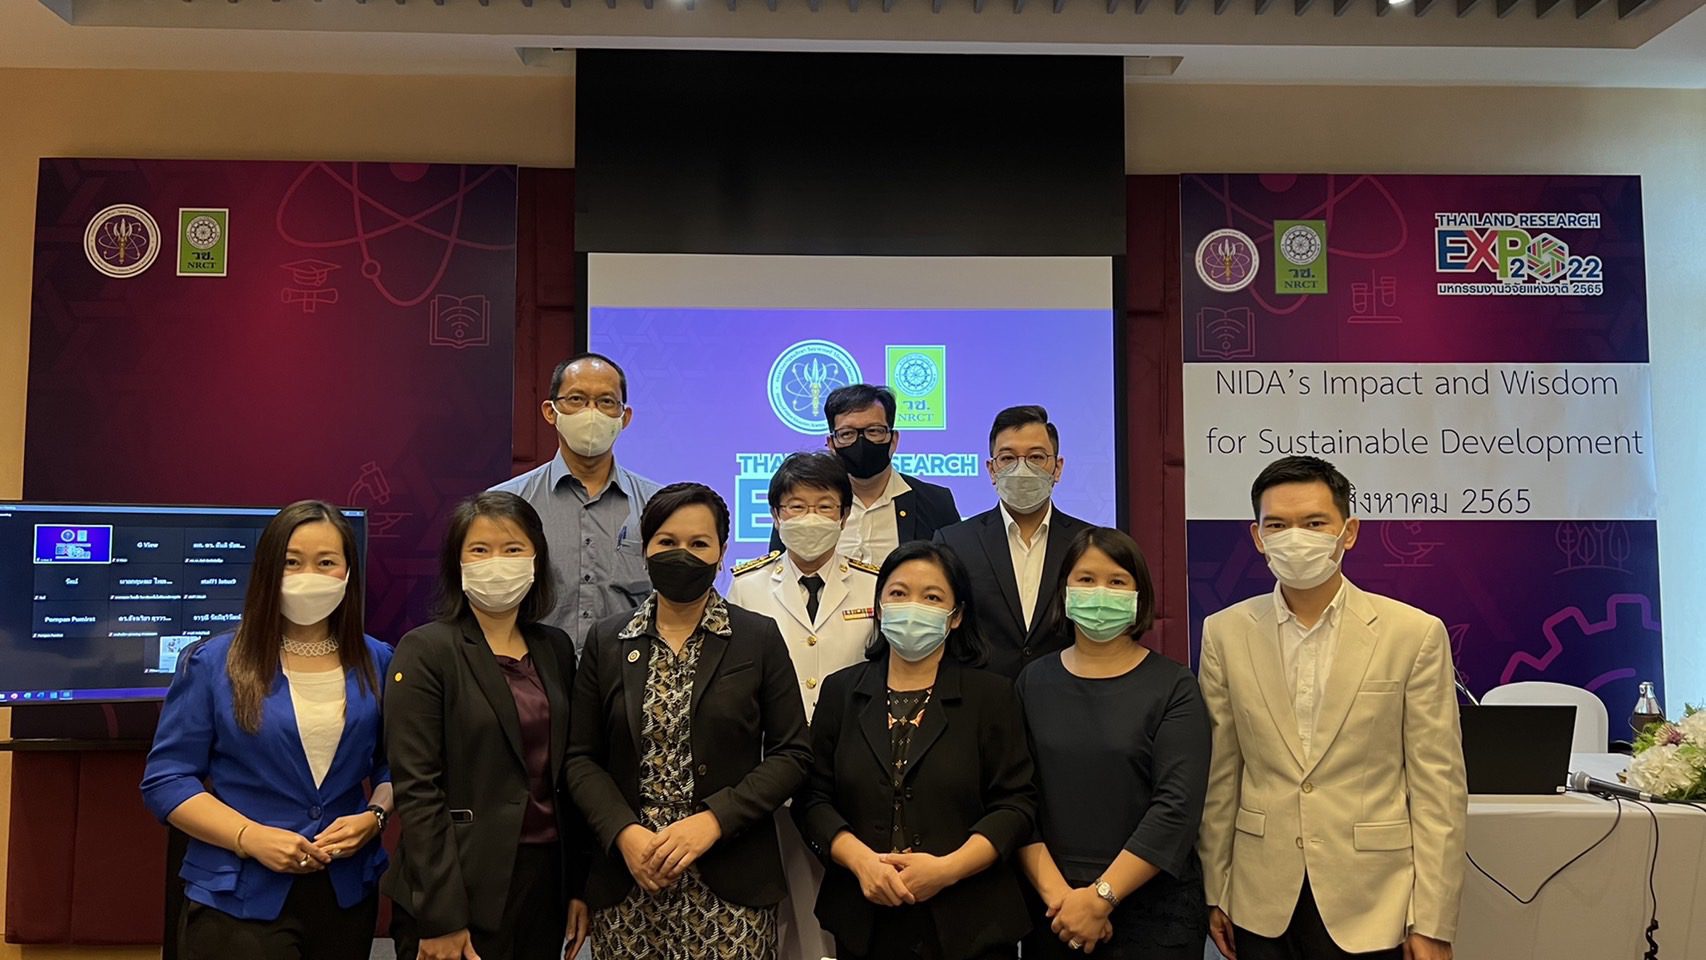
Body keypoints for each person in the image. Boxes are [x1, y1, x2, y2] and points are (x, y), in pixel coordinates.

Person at [1197, 456, 1467, 960]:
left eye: (1314, 523)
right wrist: (1216, 888)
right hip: (1259, 897)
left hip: (1374, 900)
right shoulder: (1224, 632)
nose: (1295, 538)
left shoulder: (1413, 634)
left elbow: (1439, 789)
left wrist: (1432, 919)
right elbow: (1220, 774)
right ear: (1257, 537)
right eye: (1277, 525)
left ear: (1349, 531)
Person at [566, 482, 812, 960]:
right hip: (631, 875)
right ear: (645, 550)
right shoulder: (608, 640)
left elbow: (792, 754)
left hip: (730, 877)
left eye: (699, 543)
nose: (682, 554)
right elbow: (580, 758)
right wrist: (623, 833)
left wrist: (715, 820)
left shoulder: (757, 637)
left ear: (721, 553)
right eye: (667, 542)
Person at [141, 500, 392, 960]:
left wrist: (374, 817)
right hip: (238, 895)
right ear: (267, 569)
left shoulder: (379, 661)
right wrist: (249, 837)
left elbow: (396, 765)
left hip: (346, 891)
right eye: (292, 562)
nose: (309, 575)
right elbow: (167, 780)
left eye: (326, 562)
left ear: (348, 573)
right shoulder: (213, 663)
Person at [795, 540, 1037, 960]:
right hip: (865, 918)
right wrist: (861, 862)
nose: (913, 606)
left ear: (956, 616)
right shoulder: (841, 691)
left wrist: (947, 869)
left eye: (932, 597)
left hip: (970, 922)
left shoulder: (992, 695)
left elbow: (1016, 805)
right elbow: (812, 797)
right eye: (898, 593)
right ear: (879, 607)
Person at [383, 492, 590, 960]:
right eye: (480, 549)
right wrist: (442, 916)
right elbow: (417, 790)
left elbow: (568, 773)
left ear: (536, 559)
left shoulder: (555, 648)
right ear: (457, 562)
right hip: (456, 883)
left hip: (544, 884)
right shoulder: (426, 650)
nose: (497, 562)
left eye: (512, 549)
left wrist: (578, 885)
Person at [1015, 527, 1210, 960]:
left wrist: (1101, 898)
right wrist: (1066, 903)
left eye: (1117, 581)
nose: (1100, 592)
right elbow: (1015, 799)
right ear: (1064, 590)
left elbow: (1176, 808)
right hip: (1054, 910)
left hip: (1153, 909)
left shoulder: (1174, 686)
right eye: (1086, 579)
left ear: (1139, 596)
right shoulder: (1033, 682)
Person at [726, 451, 878, 960]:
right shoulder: (747, 584)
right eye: (796, 507)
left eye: (824, 506)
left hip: (852, 771)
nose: (810, 518)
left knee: (847, 912)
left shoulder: (875, 584)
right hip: (770, 769)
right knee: (786, 914)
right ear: (775, 515)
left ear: (844, 515)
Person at [492, 352, 662, 650]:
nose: (591, 412)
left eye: (606, 401)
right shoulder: (506, 504)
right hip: (534, 672)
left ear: (624, 417)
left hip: (629, 672)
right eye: (576, 399)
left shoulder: (657, 506)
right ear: (550, 411)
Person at [935, 405, 1088, 679]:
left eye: (1036, 457)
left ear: (1057, 467)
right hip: (980, 696)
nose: (1022, 468)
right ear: (991, 470)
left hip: (1066, 693)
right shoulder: (954, 542)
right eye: (1007, 458)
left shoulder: (1087, 542)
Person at [767, 383, 959, 565]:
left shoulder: (935, 502)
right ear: (832, 444)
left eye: (874, 431)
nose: (861, 442)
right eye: (847, 434)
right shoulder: (804, 504)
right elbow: (780, 573)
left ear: (893, 440)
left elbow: (953, 575)